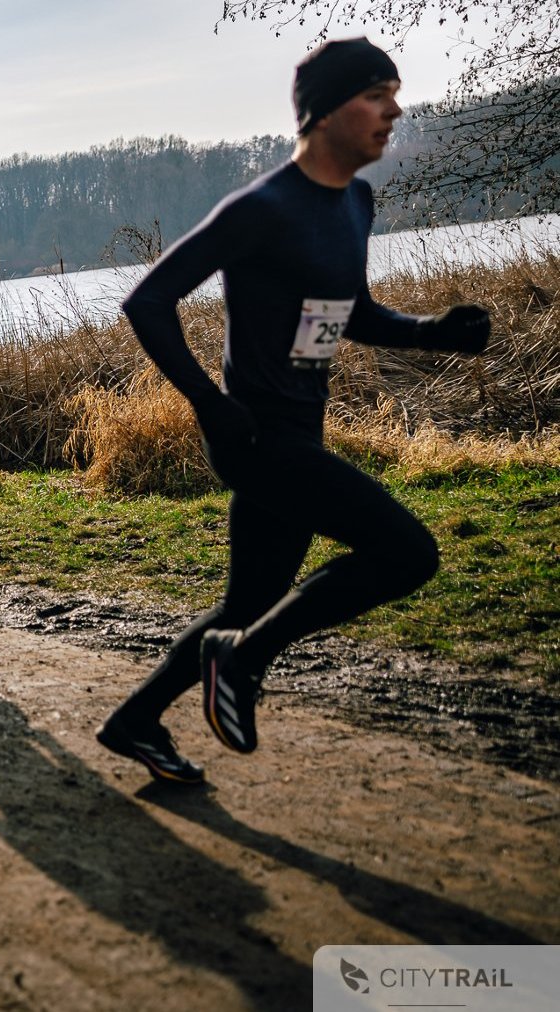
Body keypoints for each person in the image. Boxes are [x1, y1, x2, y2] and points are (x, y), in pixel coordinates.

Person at [96, 38, 492, 784]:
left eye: (395, 94)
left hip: (297, 430)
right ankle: (241, 661)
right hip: (253, 435)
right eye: (377, 95)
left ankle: (136, 720)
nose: (394, 111)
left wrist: (435, 334)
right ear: (325, 112)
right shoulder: (263, 208)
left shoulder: (355, 202)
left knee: (250, 598)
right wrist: (210, 405)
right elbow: (147, 300)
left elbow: (352, 313)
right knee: (408, 555)